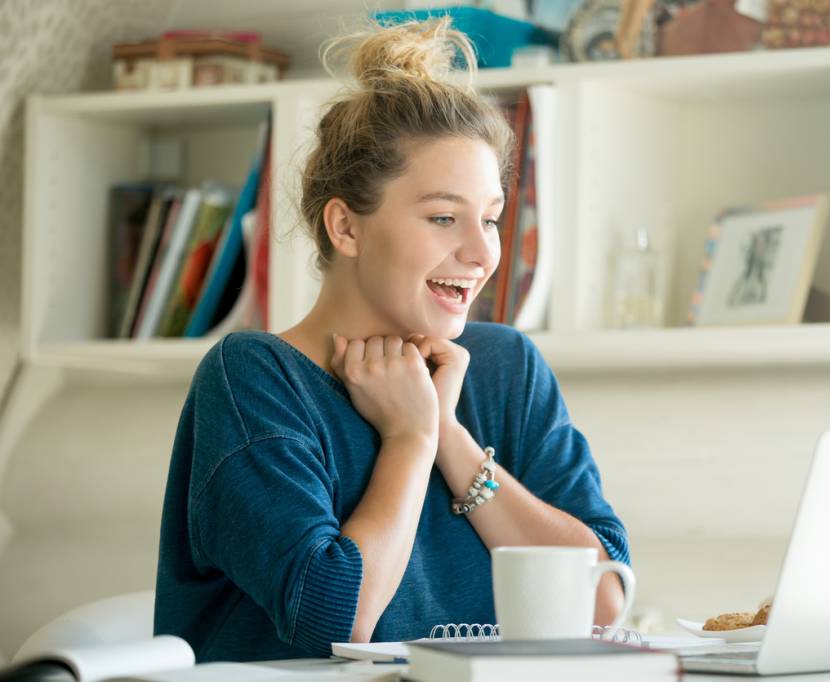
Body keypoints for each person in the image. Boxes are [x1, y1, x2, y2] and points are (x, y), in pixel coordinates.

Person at [154, 18, 630, 662]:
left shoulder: (506, 368)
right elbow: (336, 618)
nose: (479, 251)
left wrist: (450, 439)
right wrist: (409, 441)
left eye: (489, 219)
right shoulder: (254, 380)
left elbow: (603, 601)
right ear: (346, 227)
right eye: (443, 217)